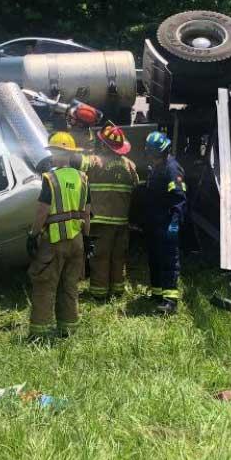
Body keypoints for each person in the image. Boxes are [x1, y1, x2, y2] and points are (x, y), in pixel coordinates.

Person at [26, 131, 92, 339]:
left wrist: (33, 234)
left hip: (54, 241)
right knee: (69, 285)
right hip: (77, 240)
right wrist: (87, 237)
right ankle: (68, 328)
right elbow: (87, 212)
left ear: (55, 153)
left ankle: (40, 334)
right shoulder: (82, 177)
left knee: (45, 285)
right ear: (71, 154)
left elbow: (42, 212)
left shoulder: (50, 178)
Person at [80, 125, 139, 299]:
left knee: (100, 257)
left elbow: (75, 162)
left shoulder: (94, 161)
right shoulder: (129, 165)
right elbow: (135, 187)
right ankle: (118, 290)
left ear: (104, 145)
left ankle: (99, 293)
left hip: (101, 221)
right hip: (121, 221)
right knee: (118, 257)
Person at [143, 131, 187, 316]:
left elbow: (179, 198)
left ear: (163, 152)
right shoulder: (156, 167)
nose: (151, 157)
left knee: (169, 261)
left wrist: (175, 222)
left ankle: (170, 301)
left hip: (167, 222)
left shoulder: (172, 169)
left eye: (154, 154)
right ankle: (157, 293)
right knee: (155, 259)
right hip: (154, 222)